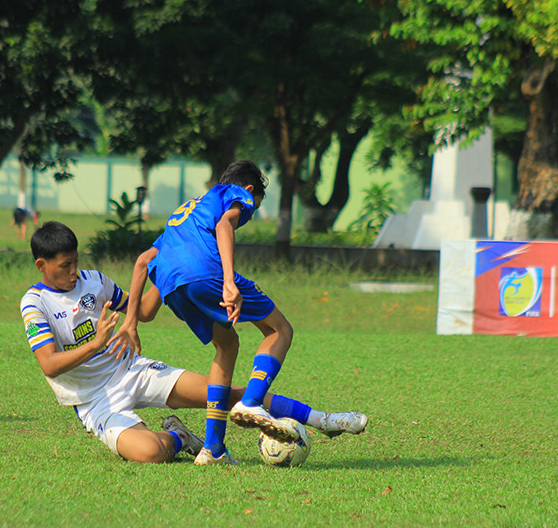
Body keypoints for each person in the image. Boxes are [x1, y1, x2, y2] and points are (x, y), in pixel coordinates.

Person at [20, 221, 367, 464]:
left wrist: (169, 267)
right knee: (151, 453)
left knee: (228, 394)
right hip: (94, 400)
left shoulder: (93, 280)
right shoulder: (35, 304)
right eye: (65, 266)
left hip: (133, 370)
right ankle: (181, 437)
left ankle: (323, 419)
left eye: (76, 262)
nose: (73, 271)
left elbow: (143, 311)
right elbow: (49, 364)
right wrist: (95, 345)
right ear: (41, 265)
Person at [109, 160, 367, 465]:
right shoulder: (235, 194)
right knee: (280, 330)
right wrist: (230, 282)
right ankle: (253, 401)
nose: (250, 213)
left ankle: (213, 449)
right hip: (206, 274)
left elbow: (143, 264)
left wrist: (130, 322)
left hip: (171, 284)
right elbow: (224, 225)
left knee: (227, 345)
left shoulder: (185, 214)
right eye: (254, 208)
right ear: (248, 191)